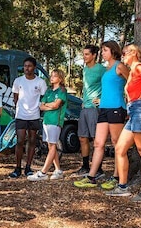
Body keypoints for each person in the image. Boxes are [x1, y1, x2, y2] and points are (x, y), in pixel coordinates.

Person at [74, 40, 128, 189]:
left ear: (113, 51)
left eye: (105, 50)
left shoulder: (120, 66)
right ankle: (91, 176)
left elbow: (132, 82)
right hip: (103, 109)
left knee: (117, 144)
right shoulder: (106, 68)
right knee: (98, 143)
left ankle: (117, 177)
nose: (102, 53)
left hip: (116, 107)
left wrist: (130, 103)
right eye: (102, 50)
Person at [105, 44, 141, 202]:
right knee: (120, 148)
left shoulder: (140, 67)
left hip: (140, 110)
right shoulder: (133, 70)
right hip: (133, 111)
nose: (123, 55)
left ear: (134, 53)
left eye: (125, 53)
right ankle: (122, 187)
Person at [70, 45, 106, 178]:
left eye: (86, 54)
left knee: (97, 139)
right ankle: (85, 166)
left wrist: (102, 99)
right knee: (82, 138)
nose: (84, 57)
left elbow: (109, 84)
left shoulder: (101, 69)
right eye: (83, 54)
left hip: (94, 109)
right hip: (84, 107)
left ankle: (99, 169)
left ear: (94, 55)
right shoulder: (85, 69)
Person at [9, 57, 47, 178]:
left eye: (29, 66)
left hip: (34, 116)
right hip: (21, 115)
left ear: (34, 68)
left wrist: (38, 108)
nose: (27, 68)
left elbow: (43, 98)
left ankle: (28, 167)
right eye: (25, 66)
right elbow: (15, 97)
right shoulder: (18, 81)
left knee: (32, 141)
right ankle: (17, 168)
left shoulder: (40, 82)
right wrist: (19, 108)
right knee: (20, 140)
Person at [27, 69, 68, 181]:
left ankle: (44, 172)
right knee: (51, 146)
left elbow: (56, 105)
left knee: (53, 146)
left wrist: (49, 106)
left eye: (54, 76)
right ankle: (58, 170)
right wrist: (51, 105)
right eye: (51, 76)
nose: (52, 77)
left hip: (55, 122)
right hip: (46, 121)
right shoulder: (49, 91)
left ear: (60, 78)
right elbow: (41, 106)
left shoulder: (62, 91)